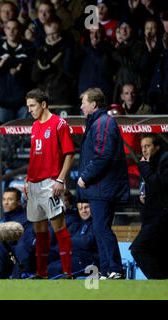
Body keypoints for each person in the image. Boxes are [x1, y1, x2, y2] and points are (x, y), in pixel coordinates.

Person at [77, 88, 130, 280]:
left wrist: (85, 177)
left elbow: (103, 155)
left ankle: (115, 268)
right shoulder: (97, 122)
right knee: (100, 228)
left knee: (101, 228)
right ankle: (108, 269)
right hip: (99, 188)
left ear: (94, 104)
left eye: (84, 102)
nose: (81, 106)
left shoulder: (103, 122)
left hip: (102, 188)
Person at [23, 88, 75, 279]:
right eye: (28, 106)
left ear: (43, 104)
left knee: (59, 227)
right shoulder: (35, 126)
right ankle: (42, 273)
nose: (29, 110)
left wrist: (60, 180)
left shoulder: (59, 124)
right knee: (39, 230)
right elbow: (33, 157)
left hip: (50, 182)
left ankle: (67, 272)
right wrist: (27, 180)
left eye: (32, 105)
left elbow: (70, 153)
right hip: (34, 184)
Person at [130, 133, 168, 279]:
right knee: (158, 253)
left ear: (157, 147)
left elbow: (158, 184)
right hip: (153, 216)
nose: (144, 150)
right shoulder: (150, 163)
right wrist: (142, 199)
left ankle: (158, 280)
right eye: (142, 147)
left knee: (138, 249)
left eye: (148, 146)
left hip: (161, 218)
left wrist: (144, 167)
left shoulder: (163, 161)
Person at [47, 202, 99, 278]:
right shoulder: (77, 223)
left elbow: (87, 242)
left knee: (54, 269)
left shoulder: (96, 224)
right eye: (81, 209)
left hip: (89, 261)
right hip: (73, 256)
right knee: (48, 265)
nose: (84, 211)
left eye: (86, 207)